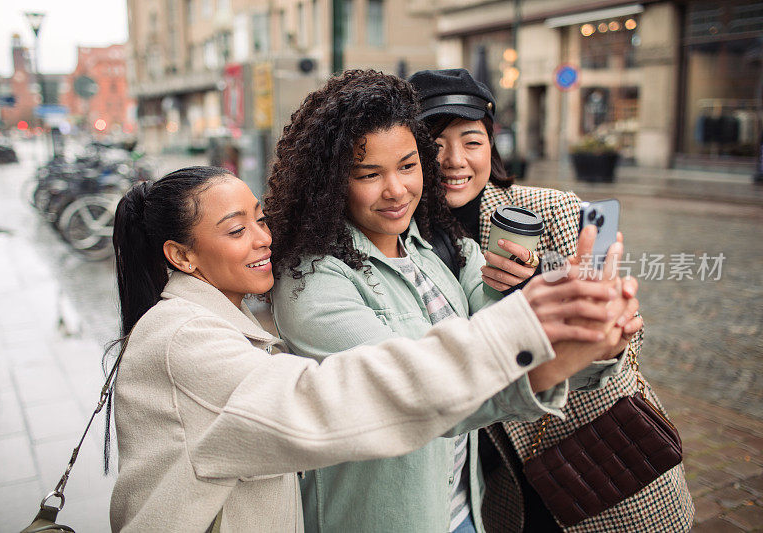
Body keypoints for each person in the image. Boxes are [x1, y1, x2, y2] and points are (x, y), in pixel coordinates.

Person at [108, 166, 622, 532]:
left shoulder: (432, 249)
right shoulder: (184, 341)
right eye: (237, 230)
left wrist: (564, 349)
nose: (264, 238)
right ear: (180, 255)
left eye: (261, 220)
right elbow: (328, 399)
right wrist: (521, 330)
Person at [266, 70, 637, 533]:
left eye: (407, 165)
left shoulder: (438, 249)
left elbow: (506, 334)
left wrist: (599, 339)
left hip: (465, 512)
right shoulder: (312, 281)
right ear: (329, 182)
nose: (396, 190)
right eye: (368, 174)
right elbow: (407, 392)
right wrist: (549, 355)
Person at [409, 67, 694, 532]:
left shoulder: (561, 208)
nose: (453, 160)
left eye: (471, 141)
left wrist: (543, 289)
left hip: (599, 454)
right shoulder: (405, 236)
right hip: (502, 481)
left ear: (491, 143)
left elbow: (628, 335)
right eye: (434, 145)